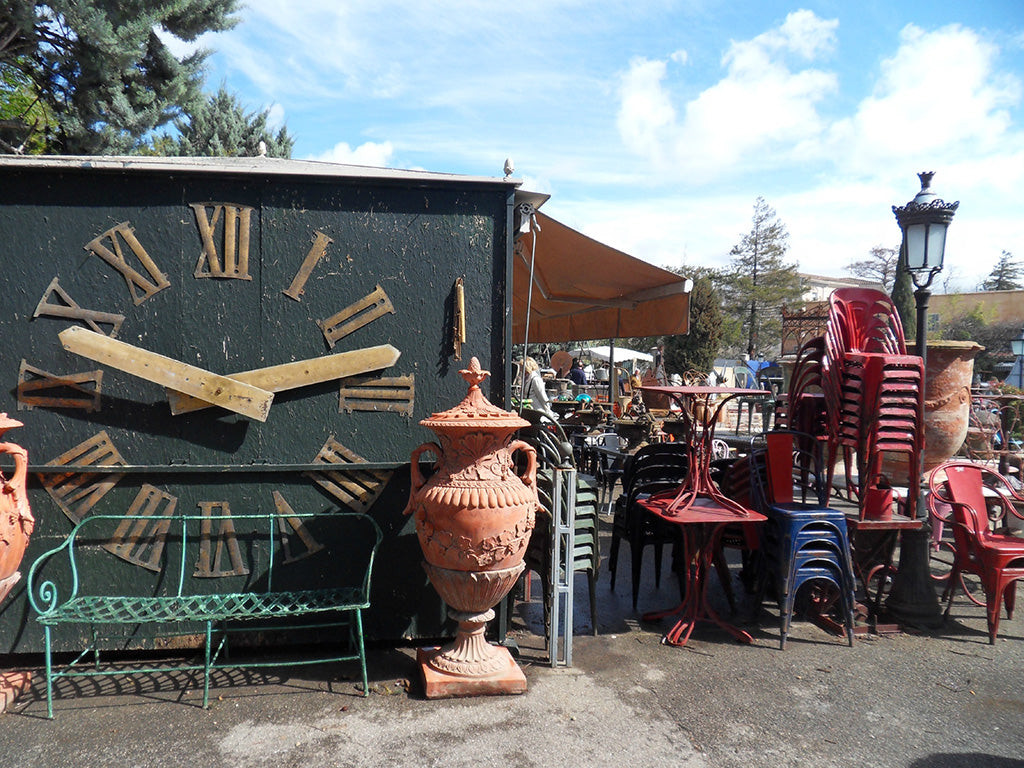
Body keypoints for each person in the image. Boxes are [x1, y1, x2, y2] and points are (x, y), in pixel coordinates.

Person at [522, 356, 557, 421]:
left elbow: (542, 397)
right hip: (529, 410)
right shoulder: (526, 378)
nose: (521, 370)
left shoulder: (536, 379)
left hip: (537, 411)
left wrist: (548, 410)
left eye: (522, 368)